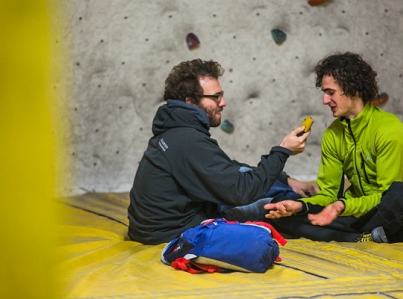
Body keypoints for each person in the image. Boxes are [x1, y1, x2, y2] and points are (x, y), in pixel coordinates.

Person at [128, 59, 318, 245]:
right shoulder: (188, 142)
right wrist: (283, 151)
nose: (223, 102)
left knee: (262, 183)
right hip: (176, 232)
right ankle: (335, 219)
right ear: (191, 102)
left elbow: (228, 168)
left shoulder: (175, 132)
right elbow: (242, 191)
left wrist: (286, 180)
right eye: (216, 97)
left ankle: (298, 195)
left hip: (163, 225)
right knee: (275, 204)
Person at [265, 52, 403, 243]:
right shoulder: (332, 134)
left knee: (401, 193)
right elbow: (328, 195)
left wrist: (341, 206)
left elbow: (386, 197)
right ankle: (366, 236)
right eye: (324, 93)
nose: (325, 101)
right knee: (277, 209)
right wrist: (300, 207)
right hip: (358, 213)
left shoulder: (390, 130)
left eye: (330, 93)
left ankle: (357, 233)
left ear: (355, 89)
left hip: (397, 213)